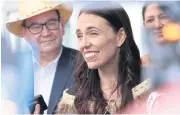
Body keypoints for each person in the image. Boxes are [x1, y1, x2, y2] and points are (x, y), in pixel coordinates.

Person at [56, 1, 145, 114]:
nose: (84, 44)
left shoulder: (151, 90)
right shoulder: (72, 101)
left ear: (120, 36)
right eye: (79, 36)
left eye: (93, 33)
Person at [6, 0, 77, 114]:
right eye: (35, 26)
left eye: (52, 23)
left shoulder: (84, 65)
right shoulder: (12, 70)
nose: (46, 33)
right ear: (25, 33)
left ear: (62, 27)